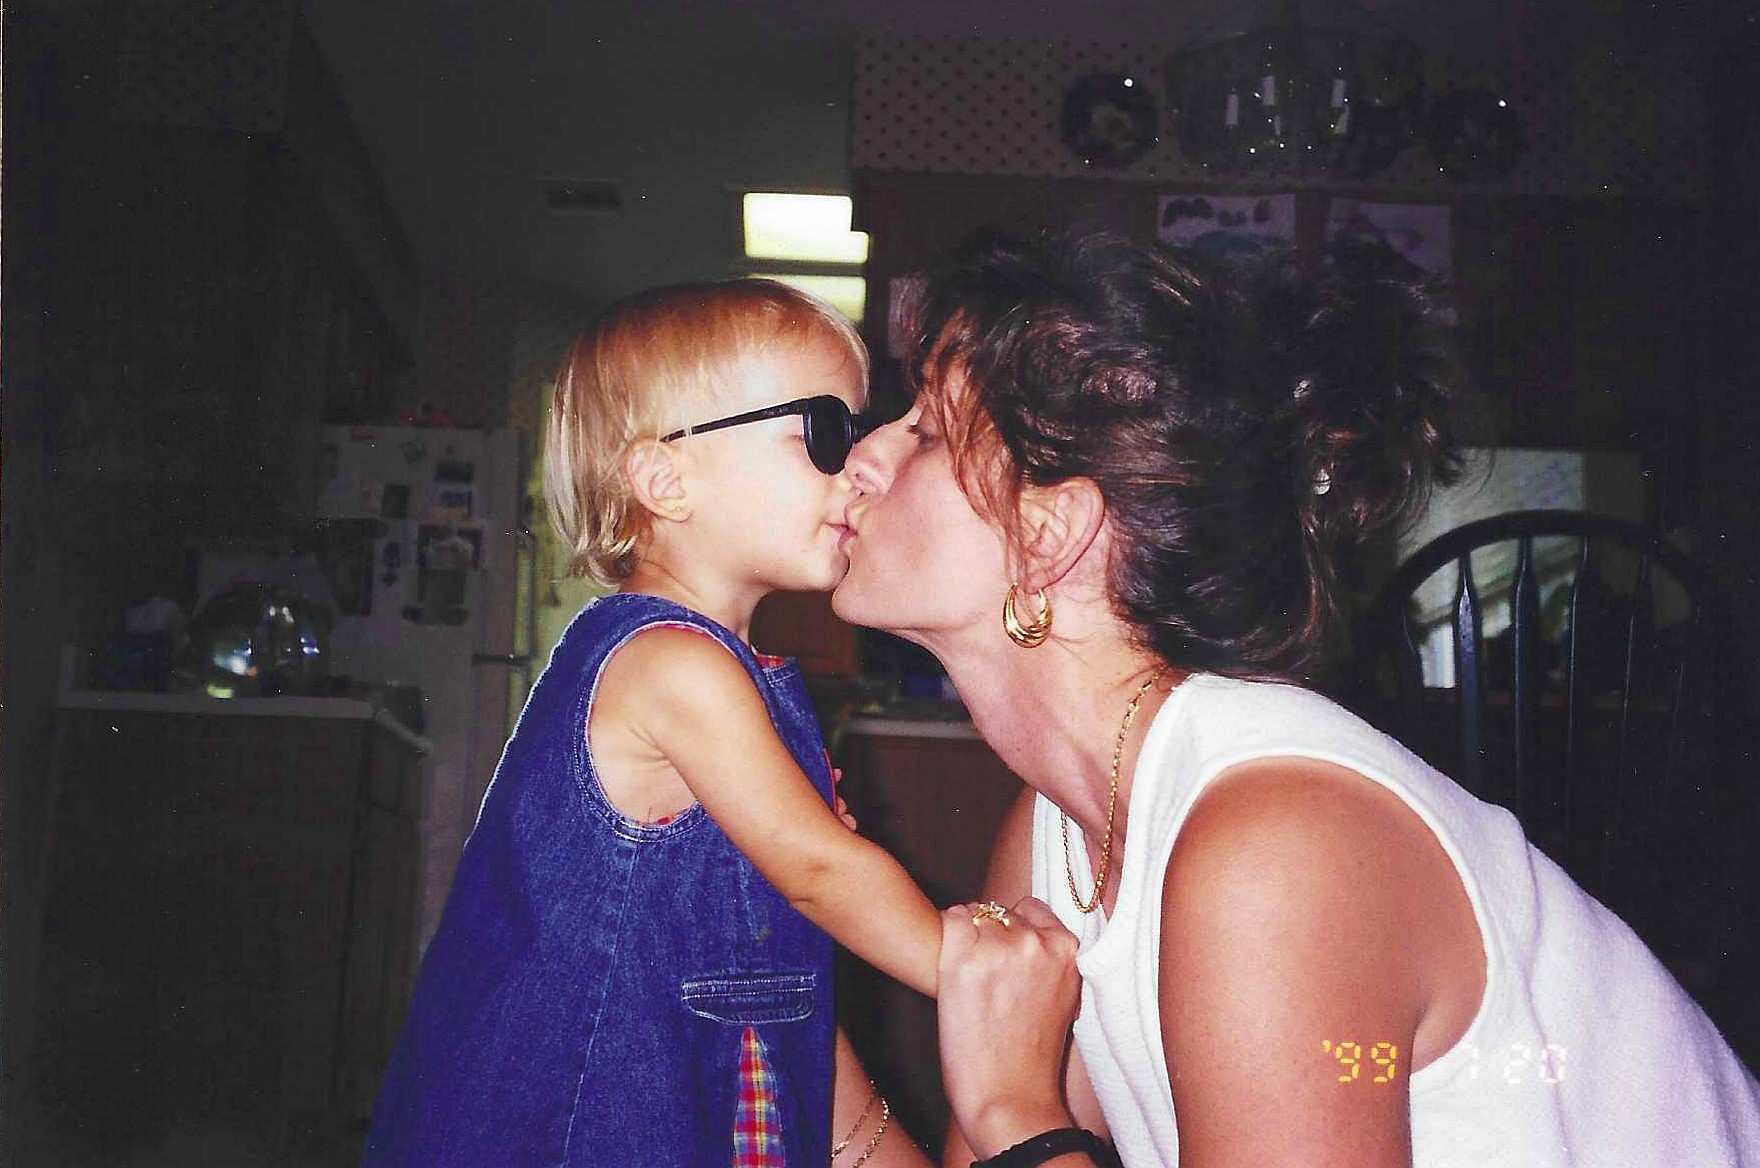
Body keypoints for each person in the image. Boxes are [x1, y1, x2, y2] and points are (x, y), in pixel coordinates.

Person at [831, 231, 1760, 1168]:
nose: (862, 456)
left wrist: (1011, 1106)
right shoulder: (1059, 834)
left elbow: (1015, 1136)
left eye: (927, 433)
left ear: (1049, 534)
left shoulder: (1273, 844)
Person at [365, 279, 937, 1167]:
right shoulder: (672, 664)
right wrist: (961, 966)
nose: (857, 465)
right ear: (667, 479)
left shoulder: (719, 670)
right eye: (824, 432)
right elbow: (820, 871)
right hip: (584, 1126)